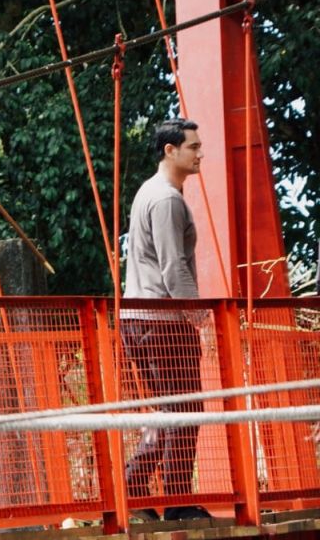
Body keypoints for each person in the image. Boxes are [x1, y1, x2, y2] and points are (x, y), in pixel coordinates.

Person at [120, 118, 211, 522]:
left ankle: (135, 493)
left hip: (141, 318)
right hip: (162, 320)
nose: (200, 153)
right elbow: (175, 267)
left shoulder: (148, 192)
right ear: (170, 151)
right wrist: (200, 317)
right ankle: (174, 500)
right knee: (186, 409)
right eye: (192, 147)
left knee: (168, 410)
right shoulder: (168, 199)